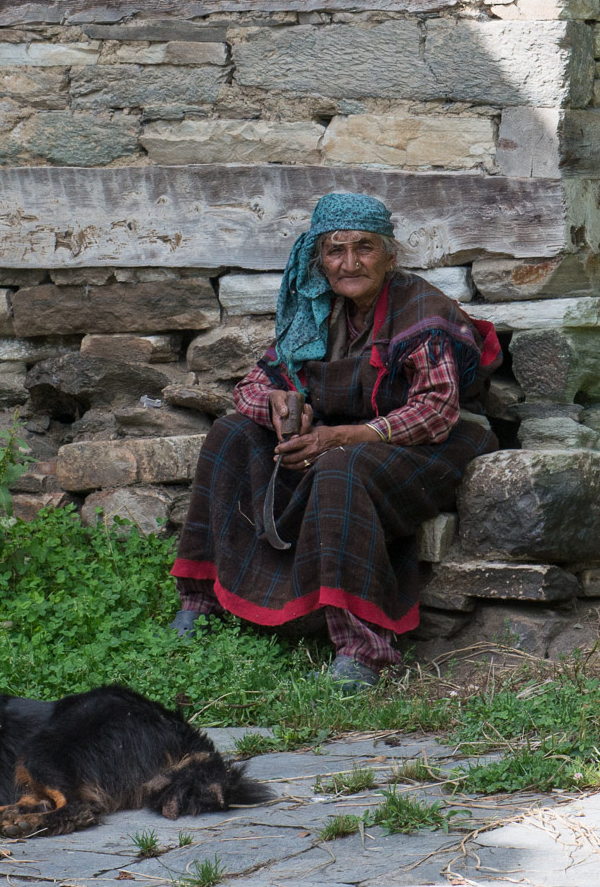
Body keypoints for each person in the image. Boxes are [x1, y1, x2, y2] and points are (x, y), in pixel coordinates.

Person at [170, 192, 501, 691]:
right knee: (230, 433)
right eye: (334, 250)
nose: (349, 263)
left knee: (339, 467)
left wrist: (341, 436)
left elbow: (436, 409)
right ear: (318, 259)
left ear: (391, 255)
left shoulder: (421, 311)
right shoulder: (315, 315)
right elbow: (251, 386)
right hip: (338, 437)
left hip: (429, 446)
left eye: (364, 248)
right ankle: (202, 602)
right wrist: (280, 406)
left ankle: (362, 646)